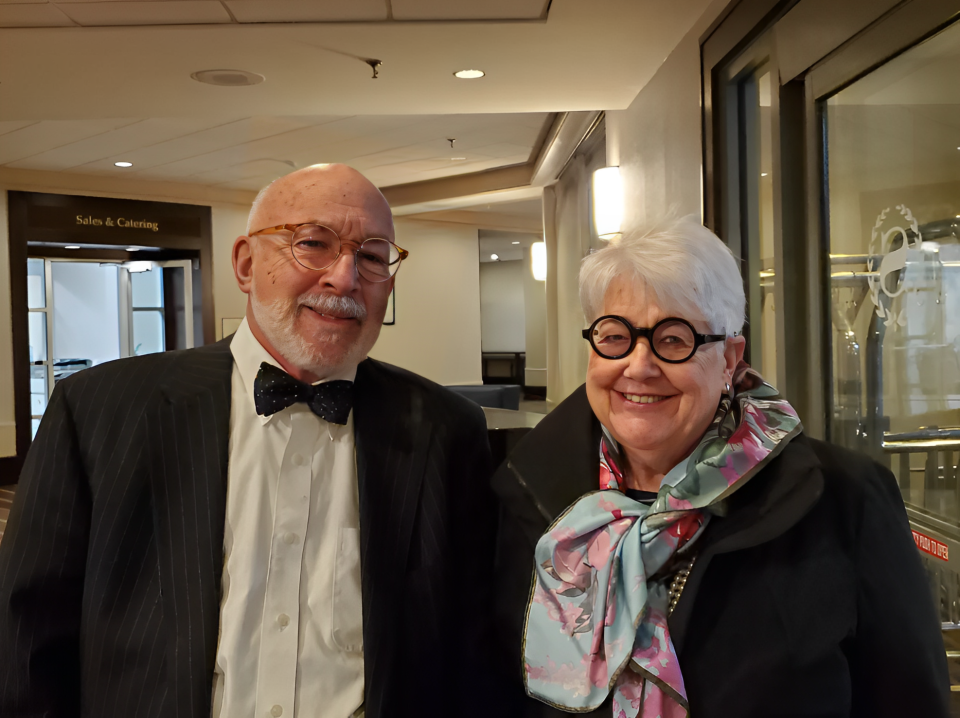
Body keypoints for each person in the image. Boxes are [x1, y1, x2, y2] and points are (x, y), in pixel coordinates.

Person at [0, 164, 502, 718]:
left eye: (373, 256)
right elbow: (26, 640)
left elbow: (470, 647)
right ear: (245, 263)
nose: (345, 277)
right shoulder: (99, 411)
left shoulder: (446, 429)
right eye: (313, 244)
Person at [492, 216, 950, 718]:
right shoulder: (531, 501)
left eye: (673, 339)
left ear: (731, 358)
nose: (639, 366)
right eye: (615, 336)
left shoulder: (846, 501)